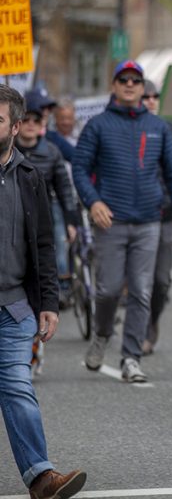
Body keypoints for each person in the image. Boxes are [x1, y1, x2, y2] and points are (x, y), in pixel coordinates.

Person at [72, 60, 172, 383]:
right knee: (108, 289)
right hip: (110, 220)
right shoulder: (97, 125)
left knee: (141, 290)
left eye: (135, 80)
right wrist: (93, 201)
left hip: (150, 221)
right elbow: (80, 169)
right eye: (123, 79)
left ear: (142, 87)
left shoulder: (158, 127)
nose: (129, 84)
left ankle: (131, 358)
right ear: (114, 86)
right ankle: (101, 334)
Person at [0, 84, 87, 499]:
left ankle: (41, 477)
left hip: (14, 306)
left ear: (16, 127)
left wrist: (49, 303)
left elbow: (44, 244)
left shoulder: (31, 177)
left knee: (17, 384)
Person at [15, 94, 80, 298]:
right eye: (26, 119)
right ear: (17, 123)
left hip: (46, 207)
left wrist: (71, 220)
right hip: (14, 206)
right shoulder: (7, 150)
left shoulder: (52, 151)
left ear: (42, 123)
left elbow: (63, 188)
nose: (31, 124)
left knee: (57, 244)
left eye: (36, 120)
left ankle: (60, 285)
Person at [141, 78, 172, 355]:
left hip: (165, 216)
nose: (151, 100)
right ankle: (135, 330)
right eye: (146, 96)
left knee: (161, 280)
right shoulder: (124, 128)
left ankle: (152, 322)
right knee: (135, 280)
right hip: (132, 216)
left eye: (155, 96)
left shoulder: (171, 130)